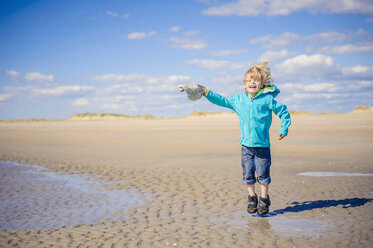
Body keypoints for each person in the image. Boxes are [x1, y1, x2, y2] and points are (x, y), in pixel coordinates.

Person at [199, 62, 291, 215]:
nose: (252, 82)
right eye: (249, 80)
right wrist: (207, 93)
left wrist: (284, 127)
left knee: (263, 174)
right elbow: (223, 101)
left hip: (262, 145)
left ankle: (263, 199)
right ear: (244, 84)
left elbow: (283, 111)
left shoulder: (267, 100)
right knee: (248, 173)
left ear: (262, 84)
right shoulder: (239, 100)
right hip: (246, 146)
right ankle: (252, 197)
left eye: (256, 80)